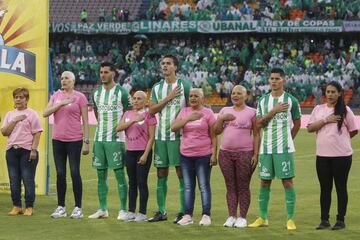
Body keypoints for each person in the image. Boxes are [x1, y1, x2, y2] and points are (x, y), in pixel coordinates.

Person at [248, 68, 301, 230]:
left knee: (287, 182)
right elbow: (258, 124)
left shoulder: (291, 100)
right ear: (269, 80)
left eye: (277, 78)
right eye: (272, 78)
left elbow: (297, 124)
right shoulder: (263, 101)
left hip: (283, 149)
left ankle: (290, 219)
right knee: (264, 182)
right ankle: (263, 218)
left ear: (283, 80)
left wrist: (288, 141)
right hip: (266, 149)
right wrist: (273, 111)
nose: (274, 81)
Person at [307, 81, 358, 230]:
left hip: (342, 156)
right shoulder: (318, 109)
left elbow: (354, 130)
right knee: (325, 188)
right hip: (322, 156)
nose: (330, 94)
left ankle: (340, 220)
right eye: (328, 92)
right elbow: (310, 128)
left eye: (333, 92)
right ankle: (324, 220)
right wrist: (326, 120)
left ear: (339, 93)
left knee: (341, 188)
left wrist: (341, 141)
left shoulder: (345, 110)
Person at [148, 54, 191, 223]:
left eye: (168, 63)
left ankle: (183, 211)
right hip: (160, 137)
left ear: (175, 67)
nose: (165, 66)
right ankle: (161, 211)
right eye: (163, 63)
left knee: (181, 173)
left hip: (179, 137)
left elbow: (191, 108)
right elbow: (152, 110)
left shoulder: (184, 86)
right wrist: (168, 98)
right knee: (161, 173)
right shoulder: (157, 87)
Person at [43, 71, 89, 219]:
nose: (63, 80)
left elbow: (86, 121)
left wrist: (86, 142)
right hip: (57, 140)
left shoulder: (80, 97)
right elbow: (45, 113)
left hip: (74, 140)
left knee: (75, 172)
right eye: (62, 78)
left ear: (73, 81)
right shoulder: (56, 96)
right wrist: (60, 104)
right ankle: (61, 207)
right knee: (60, 173)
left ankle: (78, 207)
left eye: (66, 78)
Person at [88, 62, 130, 220]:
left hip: (116, 140)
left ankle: (123, 210)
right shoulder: (97, 92)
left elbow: (128, 113)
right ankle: (103, 209)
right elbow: (97, 113)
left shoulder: (122, 93)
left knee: (119, 174)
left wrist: (118, 128)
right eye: (101, 72)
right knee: (100, 175)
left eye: (106, 72)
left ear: (113, 73)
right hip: (99, 139)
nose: (102, 75)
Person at [214, 85, 260, 228]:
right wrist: (222, 119)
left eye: (239, 93)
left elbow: (257, 134)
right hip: (225, 153)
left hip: (245, 153)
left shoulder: (252, 112)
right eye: (233, 93)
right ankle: (231, 216)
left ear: (246, 96)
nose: (235, 96)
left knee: (243, 186)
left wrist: (255, 154)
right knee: (230, 186)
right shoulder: (224, 110)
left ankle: (243, 217)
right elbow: (215, 131)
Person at [171, 88, 217, 226]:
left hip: (204, 155)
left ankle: (206, 215)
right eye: (191, 96)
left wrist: (214, 154)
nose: (193, 98)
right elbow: (173, 128)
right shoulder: (184, 112)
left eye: (196, 96)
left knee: (204, 185)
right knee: (188, 186)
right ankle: (187, 215)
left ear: (202, 99)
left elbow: (213, 135)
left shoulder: (208, 113)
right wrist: (188, 118)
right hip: (186, 155)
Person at [1, 87, 42, 216]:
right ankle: (17, 206)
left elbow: (37, 132)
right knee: (14, 180)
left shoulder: (32, 114)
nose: (18, 99)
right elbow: (4, 132)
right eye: (16, 97)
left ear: (27, 99)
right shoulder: (9, 114)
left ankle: (29, 207)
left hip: (27, 151)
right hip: (11, 151)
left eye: (21, 97)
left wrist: (34, 150)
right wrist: (15, 120)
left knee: (28, 179)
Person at [116, 91, 156, 222]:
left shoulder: (149, 115)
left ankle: (142, 213)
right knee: (132, 183)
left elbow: (151, 137)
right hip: (130, 152)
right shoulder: (127, 114)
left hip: (143, 152)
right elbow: (118, 128)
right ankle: (131, 211)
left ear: (145, 102)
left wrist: (145, 154)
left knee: (142, 182)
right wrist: (134, 120)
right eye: (134, 98)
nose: (136, 101)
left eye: (139, 99)